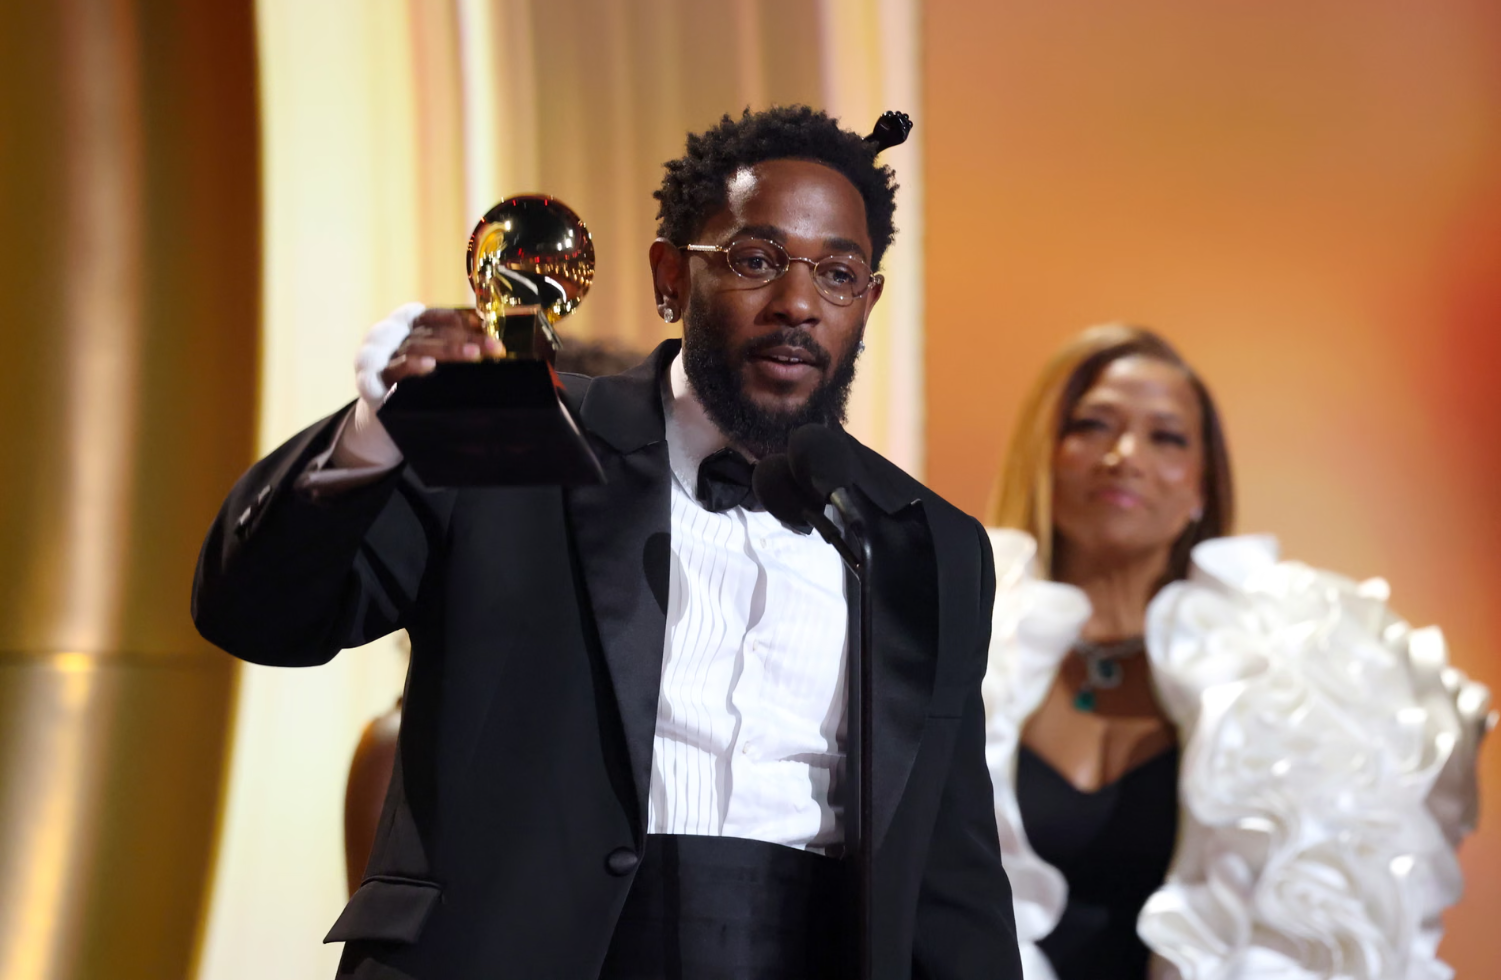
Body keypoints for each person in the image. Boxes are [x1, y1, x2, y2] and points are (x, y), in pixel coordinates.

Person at [193, 106, 1021, 980]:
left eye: (839, 273)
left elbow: (950, 871)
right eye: (754, 260)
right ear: (670, 275)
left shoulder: (929, 543)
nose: (798, 304)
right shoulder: (518, 441)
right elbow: (261, 616)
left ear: (868, 300)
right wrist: (375, 431)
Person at [979, 325, 1490, 980]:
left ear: (1200, 484)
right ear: (1043, 454)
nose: (1123, 456)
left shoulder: (1296, 671)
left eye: (1165, 436)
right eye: (1092, 425)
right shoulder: (961, 652)